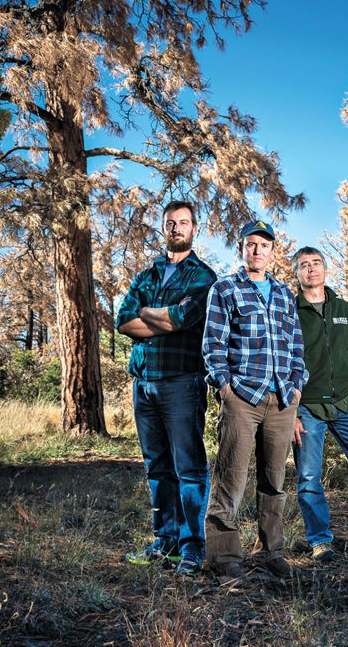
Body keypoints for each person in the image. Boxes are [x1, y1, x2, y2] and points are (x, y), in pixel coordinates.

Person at [202, 219, 307, 582]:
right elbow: (213, 344)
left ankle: (271, 551)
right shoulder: (225, 289)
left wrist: (295, 387)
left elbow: (296, 346)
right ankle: (224, 557)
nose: (258, 250)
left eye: (264, 245)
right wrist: (224, 387)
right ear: (242, 248)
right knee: (231, 478)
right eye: (251, 244)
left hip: (281, 399)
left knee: (274, 480)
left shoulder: (283, 294)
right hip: (242, 398)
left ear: (273, 251)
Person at [116, 200, 217, 576]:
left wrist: (154, 316)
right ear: (163, 229)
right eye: (170, 223)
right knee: (157, 467)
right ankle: (166, 541)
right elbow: (124, 321)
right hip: (144, 384)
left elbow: (182, 319)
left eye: (184, 223)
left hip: (181, 383)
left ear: (194, 230)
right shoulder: (147, 275)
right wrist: (157, 318)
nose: (176, 228)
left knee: (188, 468)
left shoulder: (203, 278)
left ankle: (192, 547)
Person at [291, 246, 348, 562]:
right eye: (304, 265)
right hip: (308, 407)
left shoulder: (343, 308)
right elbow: (284, 362)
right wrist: (291, 410)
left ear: (325, 269)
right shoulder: (291, 312)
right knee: (308, 478)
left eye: (316, 263)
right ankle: (320, 540)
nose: (311, 269)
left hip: (346, 404)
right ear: (297, 273)